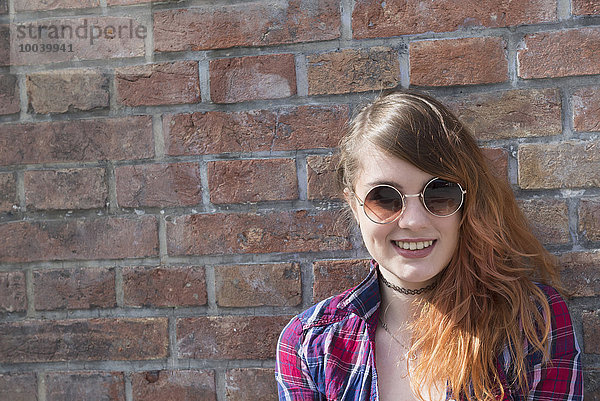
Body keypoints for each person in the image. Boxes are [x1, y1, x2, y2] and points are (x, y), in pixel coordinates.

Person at [275, 91, 583, 401]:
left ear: (467, 202)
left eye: (439, 192)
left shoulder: (531, 322)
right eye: (384, 198)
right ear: (353, 205)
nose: (413, 221)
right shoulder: (309, 343)